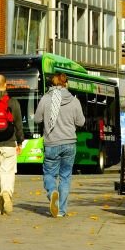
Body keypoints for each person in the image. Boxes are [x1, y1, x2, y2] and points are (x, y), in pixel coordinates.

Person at [34, 72, 85, 217]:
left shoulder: (46, 99)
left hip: (51, 143)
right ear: (66, 84)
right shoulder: (74, 101)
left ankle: (52, 192)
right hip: (69, 143)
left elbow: (37, 119)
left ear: (52, 84)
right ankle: (61, 211)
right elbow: (81, 122)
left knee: (49, 174)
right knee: (65, 177)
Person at [0, 76, 25, 215]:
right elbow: (19, 125)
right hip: (9, 143)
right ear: (5, 84)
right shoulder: (13, 102)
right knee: (8, 172)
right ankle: (6, 191)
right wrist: (19, 142)